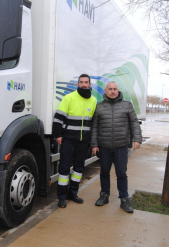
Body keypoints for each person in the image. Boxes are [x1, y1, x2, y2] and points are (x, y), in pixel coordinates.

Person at [91, 81, 142, 213]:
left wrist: (137, 139)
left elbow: (134, 123)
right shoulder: (100, 107)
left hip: (121, 146)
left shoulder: (127, 105)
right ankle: (104, 195)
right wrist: (94, 144)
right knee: (104, 172)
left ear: (118, 90)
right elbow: (95, 127)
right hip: (104, 146)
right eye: (110, 89)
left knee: (121, 174)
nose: (113, 91)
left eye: (115, 89)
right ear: (106, 91)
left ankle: (124, 199)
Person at [53, 74, 97, 208]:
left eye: (86, 82)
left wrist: (92, 141)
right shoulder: (69, 98)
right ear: (78, 84)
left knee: (78, 168)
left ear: (90, 85)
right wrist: (58, 135)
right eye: (81, 82)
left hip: (84, 141)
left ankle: (73, 194)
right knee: (64, 168)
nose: (84, 84)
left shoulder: (94, 101)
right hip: (68, 140)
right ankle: (62, 197)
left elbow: (94, 122)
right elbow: (58, 119)